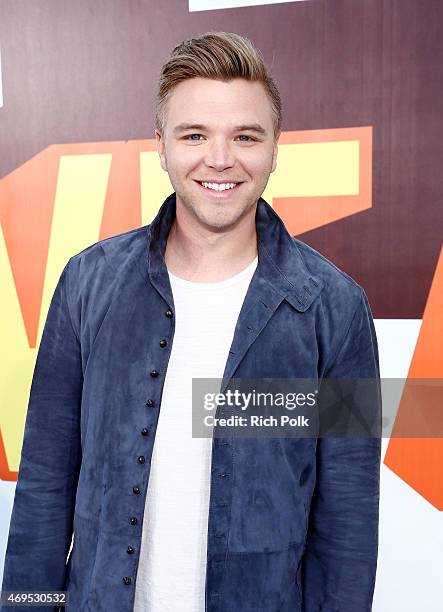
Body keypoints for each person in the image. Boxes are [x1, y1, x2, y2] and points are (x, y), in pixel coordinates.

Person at [1, 32, 381, 612]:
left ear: (276, 147)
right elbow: (44, 494)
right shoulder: (86, 284)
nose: (220, 159)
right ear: (161, 145)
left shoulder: (337, 309)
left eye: (245, 136)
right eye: (195, 134)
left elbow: (348, 523)